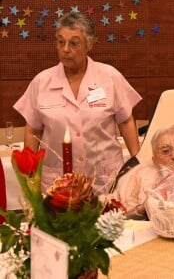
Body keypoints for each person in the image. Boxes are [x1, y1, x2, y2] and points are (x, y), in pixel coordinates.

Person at [13, 12, 142, 194]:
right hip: (58, 181)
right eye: (60, 42)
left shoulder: (109, 76)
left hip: (104, 179)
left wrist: (137, 162)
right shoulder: (42, 82)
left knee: (108, 222)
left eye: (73, 43)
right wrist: (30, 173)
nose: (66, 49)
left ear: (89, 44)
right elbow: (32, 130)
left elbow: (126, 121)